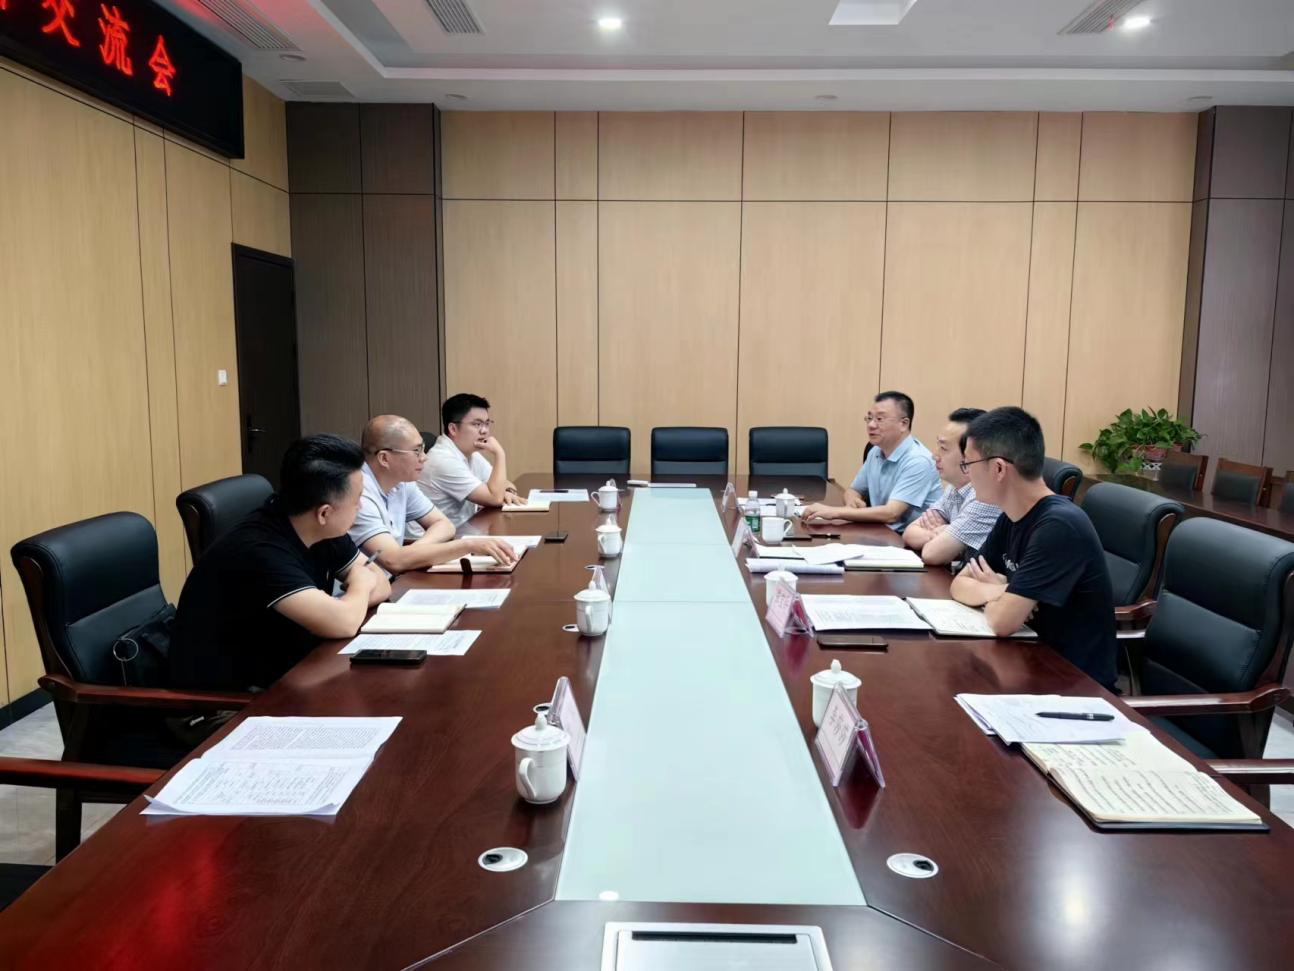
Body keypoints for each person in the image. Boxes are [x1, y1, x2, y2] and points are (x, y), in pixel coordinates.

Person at [169, 435, 391, 692]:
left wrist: (349, 601)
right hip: (228, 699)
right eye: (357, 499)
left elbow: (382, 585)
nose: (360, 506)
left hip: (293, 670)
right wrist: (360, 584)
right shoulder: (260, 551)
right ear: (324, 512)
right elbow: (344, 622)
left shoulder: (320, 526)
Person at [949, 407, 1117, 690]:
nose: (967, 474)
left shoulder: (1059, 526)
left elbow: (1002, 622)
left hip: (1074, 687)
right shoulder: (1011, 515)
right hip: (1028, 663)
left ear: (998, 469)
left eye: (969, 464)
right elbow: (959, 584)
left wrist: (1004, 599)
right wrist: (1003, 591)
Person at [351, 415, 519, 572]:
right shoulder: (358, 495)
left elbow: (444, 525)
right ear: (384, 458)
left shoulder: (402, 482)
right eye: (416, 451)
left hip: (395, 578)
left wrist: (414, 551)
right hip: (369, 588)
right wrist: (469, 545)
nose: (424, 458)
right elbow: (393, 561)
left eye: (423, 449)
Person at [800, 391, 942, 531]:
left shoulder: (919, 460)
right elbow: (854, 490)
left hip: (914, 540)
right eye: (869, 418)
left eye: (879, 419)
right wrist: (851, 501)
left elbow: (892, 513)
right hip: (881, 532)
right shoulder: (876, 451)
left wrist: (834, 512)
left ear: (903, 424)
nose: (871, 425)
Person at [902, 407, 1001, 566]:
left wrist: (944, 533)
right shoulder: (955, 487)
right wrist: (941, 534)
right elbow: (909, 533)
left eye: (943, 448)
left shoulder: (986, 497)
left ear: (970, 454)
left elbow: (932, 554)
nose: (934, 455)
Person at [418, 393, 525, 528]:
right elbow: (495, 498)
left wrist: (508, 491)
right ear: (453, 429)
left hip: (462, 528)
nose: (484, 431)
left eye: (487, 424)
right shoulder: (444, 460)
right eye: (477, 424)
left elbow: (502, 483)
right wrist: (500, 454)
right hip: (433, 537)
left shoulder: (469, 453)